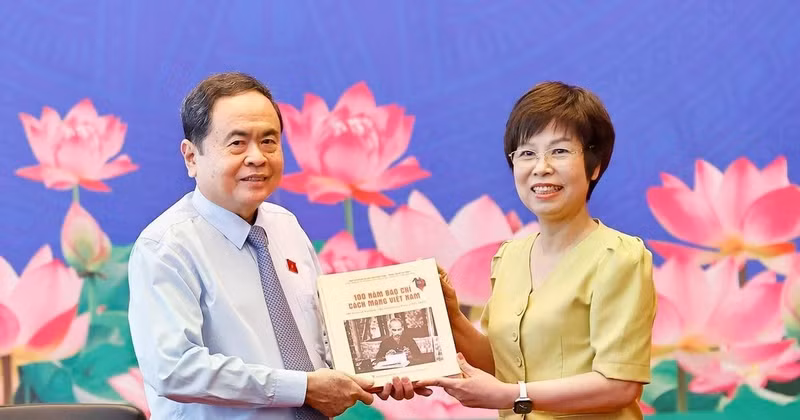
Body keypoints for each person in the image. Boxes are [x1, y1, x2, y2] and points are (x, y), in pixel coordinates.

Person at [128, 72, 418, 420]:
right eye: (237, 143)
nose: (257, 157)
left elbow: (322, 342)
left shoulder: (286, 227)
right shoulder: (166, 247)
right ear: (192, 157)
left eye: (269, 141)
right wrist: (302, 389)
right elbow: (175, 369)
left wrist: (380, 370)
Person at [418, 81, 656, 419]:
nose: (540, 167)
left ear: (595, 166)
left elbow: (619, 383)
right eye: (527, 153)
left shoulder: (619, 257)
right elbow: (506, 364)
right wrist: (453, 317)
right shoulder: (508, 257)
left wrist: (514, 396)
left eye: (559, 151)